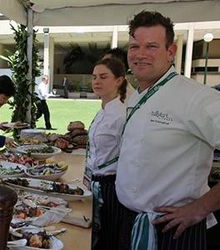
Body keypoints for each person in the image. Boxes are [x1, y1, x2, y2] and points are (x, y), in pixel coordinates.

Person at [116, 11, 220, 250]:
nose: (140, 54)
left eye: (151, 46)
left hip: (174, 231)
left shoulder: (196, 97)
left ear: (170, 52)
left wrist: (201, 207)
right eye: (134, 46)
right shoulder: (138, 95)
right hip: (131, 222)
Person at [85, 58, 127, 250]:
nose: (96, 82)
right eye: (94, 77)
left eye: (103, 77)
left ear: (119, 80)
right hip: (94, 181)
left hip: (112, 188)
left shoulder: (122, 114)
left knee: (108, 240)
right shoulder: (102, 111)